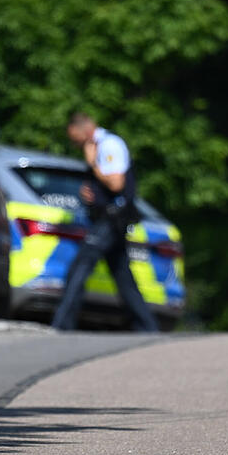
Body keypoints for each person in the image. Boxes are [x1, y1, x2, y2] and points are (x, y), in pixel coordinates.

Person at [51, 112, 159, 333]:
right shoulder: (99, 145)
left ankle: (62, 325)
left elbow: (116, 183)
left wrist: (93, 165)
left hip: (111, 220)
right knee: (123, 278)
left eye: (75, 138)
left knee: (80, 267)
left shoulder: (109, 145)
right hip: (106, 219)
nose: (75, 143)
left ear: (85, 130)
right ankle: (147, 328)